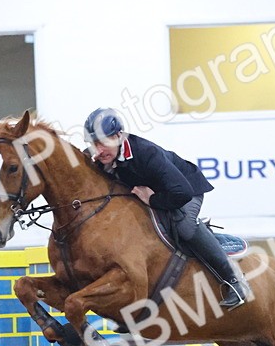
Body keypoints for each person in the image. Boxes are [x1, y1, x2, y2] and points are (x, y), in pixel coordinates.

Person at [83, 107, 251, 311]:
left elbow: (182, 193)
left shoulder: (146, 153)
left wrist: (152, 199)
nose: (98, 150)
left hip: (184, 191)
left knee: (184, 228)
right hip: (153, 195)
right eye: (93, 144)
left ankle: (234, 280)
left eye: (103, 142)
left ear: (119, 136)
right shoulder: (97, 158)